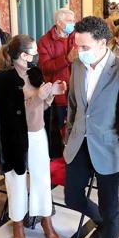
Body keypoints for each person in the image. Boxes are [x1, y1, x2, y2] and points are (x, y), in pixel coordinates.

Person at [63, 16, 119, 238]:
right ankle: (101, 221)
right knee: (72, 196)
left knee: (110, 207)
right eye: (77, 46)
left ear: (103, 43)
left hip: (108, 147)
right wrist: (68, 138)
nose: (79, 51)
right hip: (78, 142)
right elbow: (73, 105)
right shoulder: (77, 64)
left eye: (85, 47)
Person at [0, 34, 66, 238]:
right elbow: (10, 115)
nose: (36, 54)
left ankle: (46, 221)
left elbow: (40, 108)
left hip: (38, 135)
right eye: (33, 51)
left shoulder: (35, 73)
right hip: (14, 139)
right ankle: (17, 224)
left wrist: (52, 94)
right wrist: (39, 97)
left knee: (42, 180)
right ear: (23, 54)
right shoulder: (2, 79)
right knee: (16, 181)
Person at [38, 8, 77, 157]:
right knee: (59, 131)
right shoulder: (45, 41)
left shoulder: (76, 36)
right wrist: (67, 59)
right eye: (69, 21)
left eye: (73, 21)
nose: (72, 24)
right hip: (57, 95)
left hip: (76, 91)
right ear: (59, 22)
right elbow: (45, 68)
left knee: (75, 129)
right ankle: (58, 161)